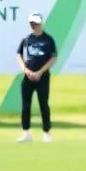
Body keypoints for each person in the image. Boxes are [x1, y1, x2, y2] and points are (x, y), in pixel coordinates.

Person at [15, 12, 56, 143]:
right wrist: (25, 70)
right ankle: (26, 132)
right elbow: (19, 55)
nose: (34, 26)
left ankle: (46, 132)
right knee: (26, 105)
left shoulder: (48, 39)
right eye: (32, 24)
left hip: (42, 77)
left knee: (43, 104)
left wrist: (40, 72)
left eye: (36, 23)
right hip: (28, 77)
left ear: (40, 23)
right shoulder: (27, 40)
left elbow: (52, 57)